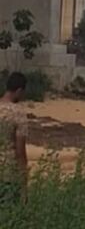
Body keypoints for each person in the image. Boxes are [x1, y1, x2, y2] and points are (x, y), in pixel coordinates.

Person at [0, 72, 27, 204]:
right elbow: (20, 152)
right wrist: (24, 186)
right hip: (7, 174)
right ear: (19, 90)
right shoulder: (18, 114)